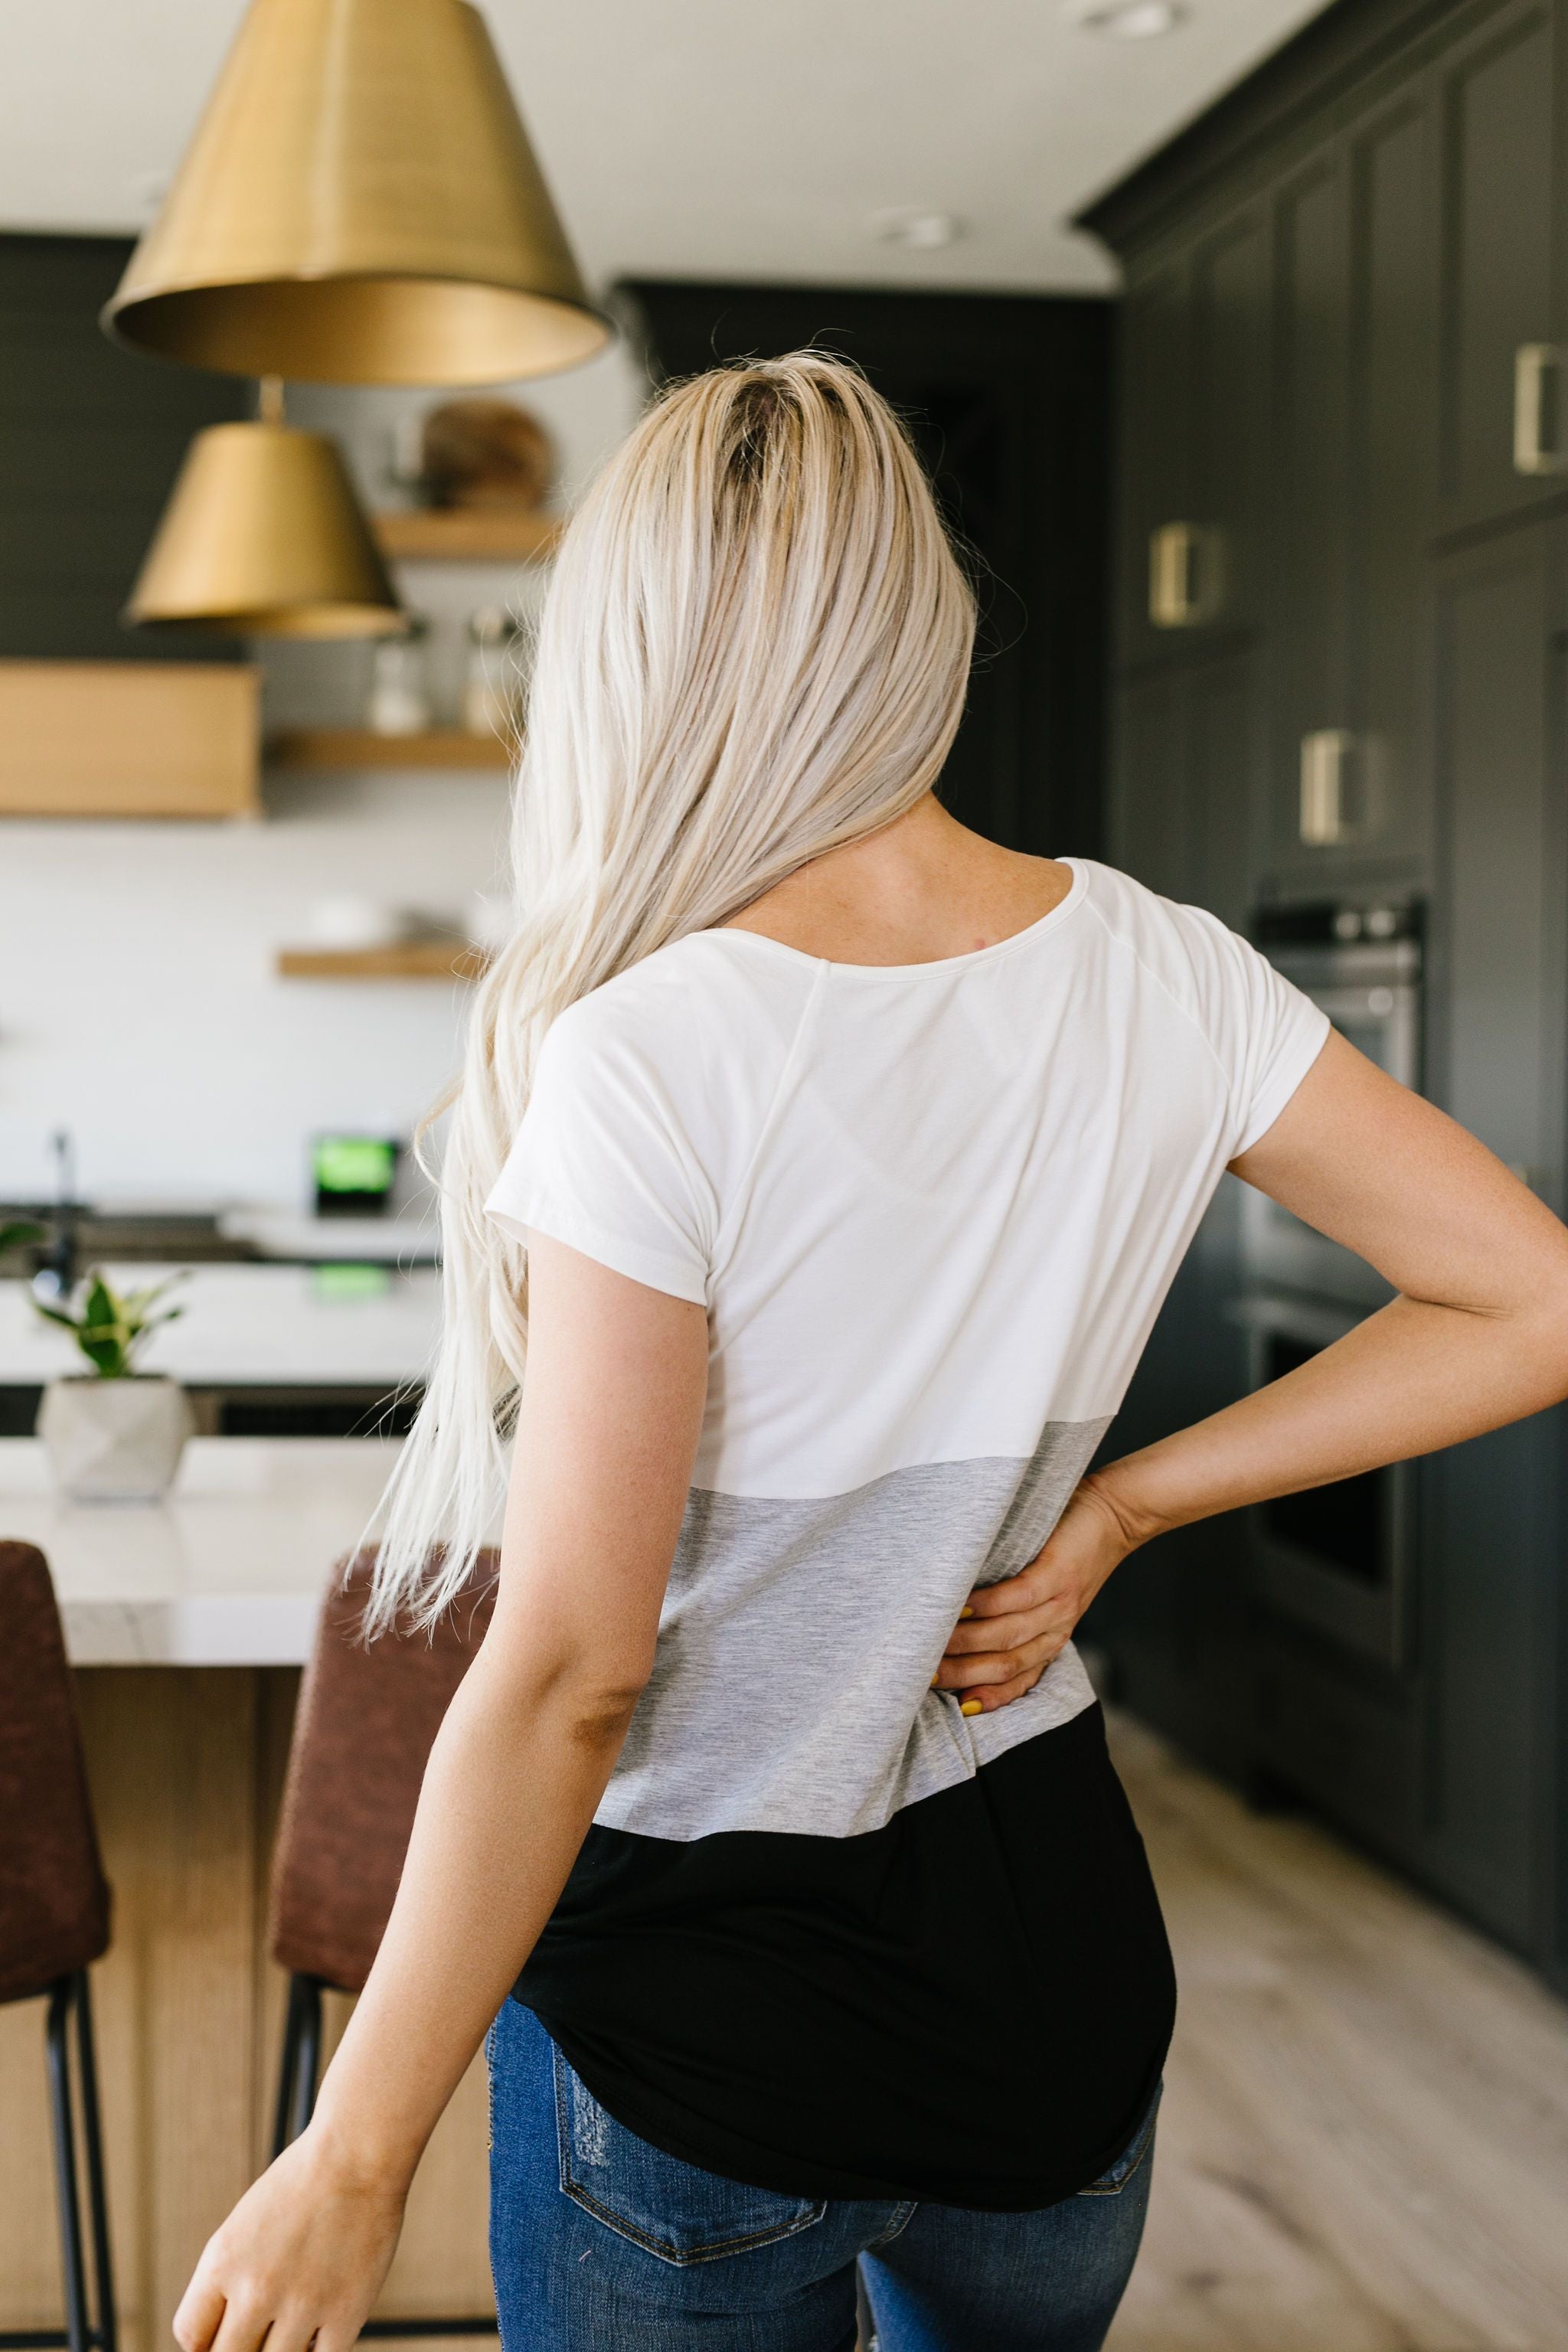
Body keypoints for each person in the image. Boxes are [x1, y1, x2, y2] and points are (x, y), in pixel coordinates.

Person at [173, 355, 1568, 2352]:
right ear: (919, 619)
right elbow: (1537, 1294)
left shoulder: (652, 1051)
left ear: (633, 653)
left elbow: (574, 1672)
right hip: (1047, 1974)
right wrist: (1124, 1509)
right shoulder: (1155, 964)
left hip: (701, 2040)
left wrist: (354, 2156)